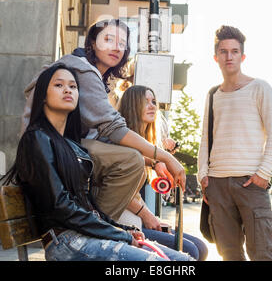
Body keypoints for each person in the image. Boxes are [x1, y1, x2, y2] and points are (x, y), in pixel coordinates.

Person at [1, 65, 193, 261]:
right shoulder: (37, 139)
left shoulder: (72, 145)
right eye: (59, 85)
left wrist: (123, 229)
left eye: (73, 86)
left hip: (86, 237)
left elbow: (89, 206)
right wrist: (121, 235)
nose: (68, 90)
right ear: (43, 95)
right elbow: (61, 208)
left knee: (184, 261)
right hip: (67, 242)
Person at [21, 19, 186, 221]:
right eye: (108, 39)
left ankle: (97, 225)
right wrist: (166, 157)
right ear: (91, 43)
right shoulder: (82, 70)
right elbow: (113, 129)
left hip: (56, 148)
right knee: (130, 161)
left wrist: (153, 162)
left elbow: (102, 137)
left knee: (134, 159)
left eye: (121, 43)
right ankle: (95, 230)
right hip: (46, 151)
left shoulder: (87, 73)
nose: (116, 47)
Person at [197, 25, 272, 261]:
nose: (229, 56)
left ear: (242, 56)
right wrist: (203, 176)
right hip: (217, 184)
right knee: (229, 254)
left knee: (262, 252)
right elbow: (205, 138)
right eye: (223, 51)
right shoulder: (212, 94)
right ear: (216, 57)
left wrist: (263, 175)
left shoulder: (260, 88)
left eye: (234, 51)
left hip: (251, 183)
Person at [118, 85, 208, 261]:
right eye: (145, 102)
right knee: (191, 251)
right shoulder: (124, 142)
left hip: (136, 218)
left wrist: (154, 219)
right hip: (122, 223)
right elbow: (121, 193)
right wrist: (147, 215)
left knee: (201, 247)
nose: (152, 106)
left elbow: (134, 193)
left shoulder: (144, 143)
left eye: (153, 102)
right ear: (131, 106)